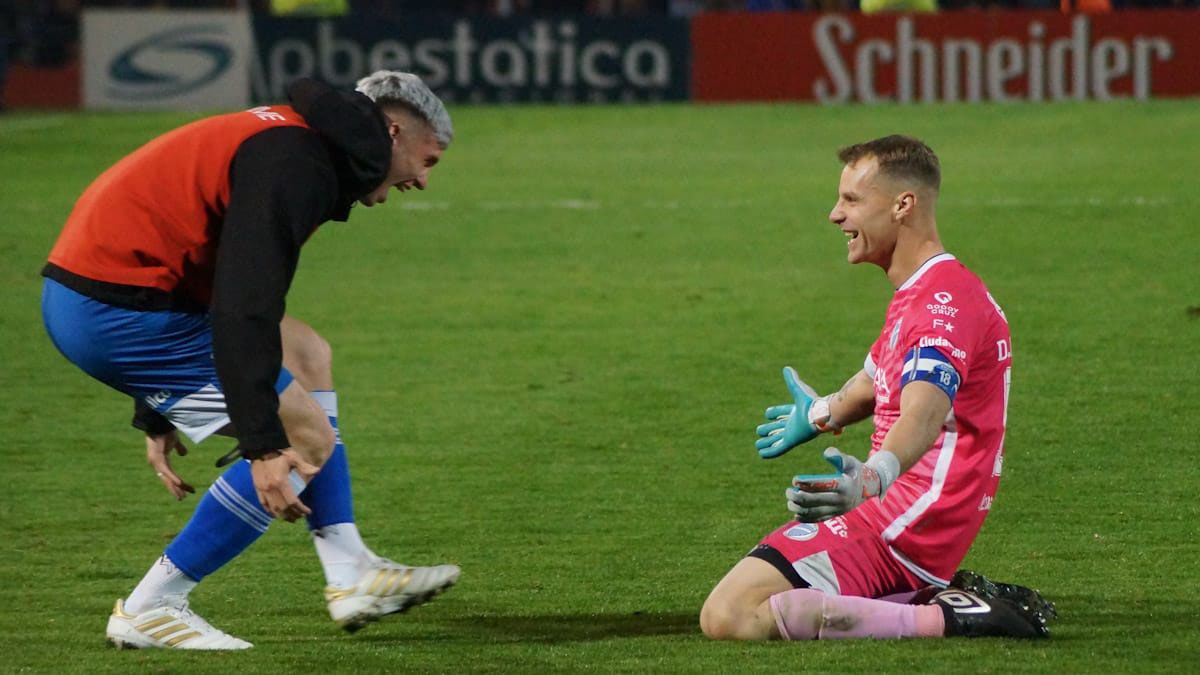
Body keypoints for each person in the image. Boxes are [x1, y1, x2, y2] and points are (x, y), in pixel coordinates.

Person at [41, 71, 460, 650]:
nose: (423, 179)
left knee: (308, 353)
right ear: (392, 131)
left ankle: (350, 571)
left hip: (110, 295)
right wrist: (264, 445)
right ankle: (151, 606)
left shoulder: (299, 139)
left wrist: (156, 411)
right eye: (428, 159)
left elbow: (191, 254)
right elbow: (242, 306)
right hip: (116, 312)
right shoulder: (299, 164)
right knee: (305, 438)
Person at [700, 135, 1055, 641]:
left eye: (851, 200)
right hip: (896, 511)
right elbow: (876, 378)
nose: (834, 215)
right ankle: (932, 595)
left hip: (905, 526)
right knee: (762, 592)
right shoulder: (927, 289)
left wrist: (872, 477)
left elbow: (923, 414)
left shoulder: (941, 306)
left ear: (902, 205)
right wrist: (820, 413)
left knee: (730, 614)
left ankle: (951, 616)